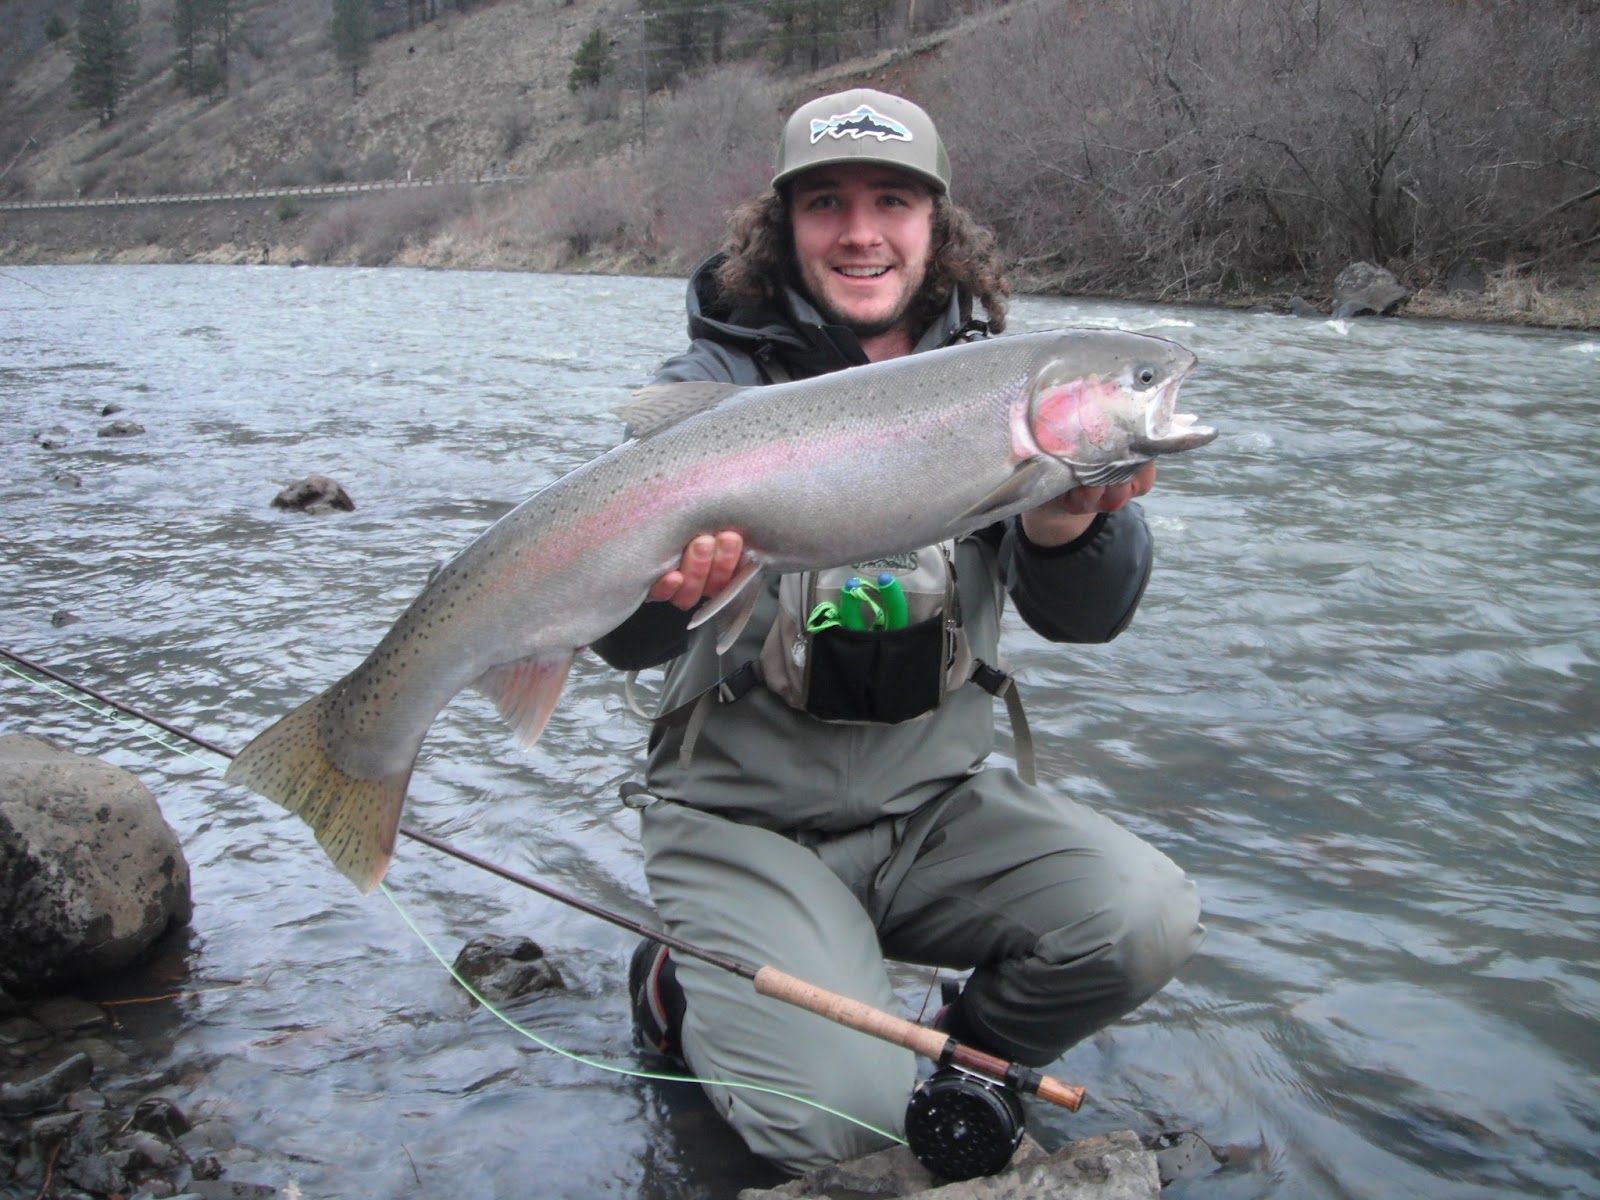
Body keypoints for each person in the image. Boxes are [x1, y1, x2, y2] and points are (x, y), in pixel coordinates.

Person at [593, 88, 1201, 1173]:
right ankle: (680, 981)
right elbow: (618, 646)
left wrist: (1067, 523)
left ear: (937, 224)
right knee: (846, 1132)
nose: (861, 231)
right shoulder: (713, 385)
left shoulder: (1017, 386)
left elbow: (1090, 619)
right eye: (825, 202)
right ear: (783, 227)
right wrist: (667, 590)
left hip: (932, 813)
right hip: (745, 824)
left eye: (892, 201)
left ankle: (970, 1058)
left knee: (1142, 916)